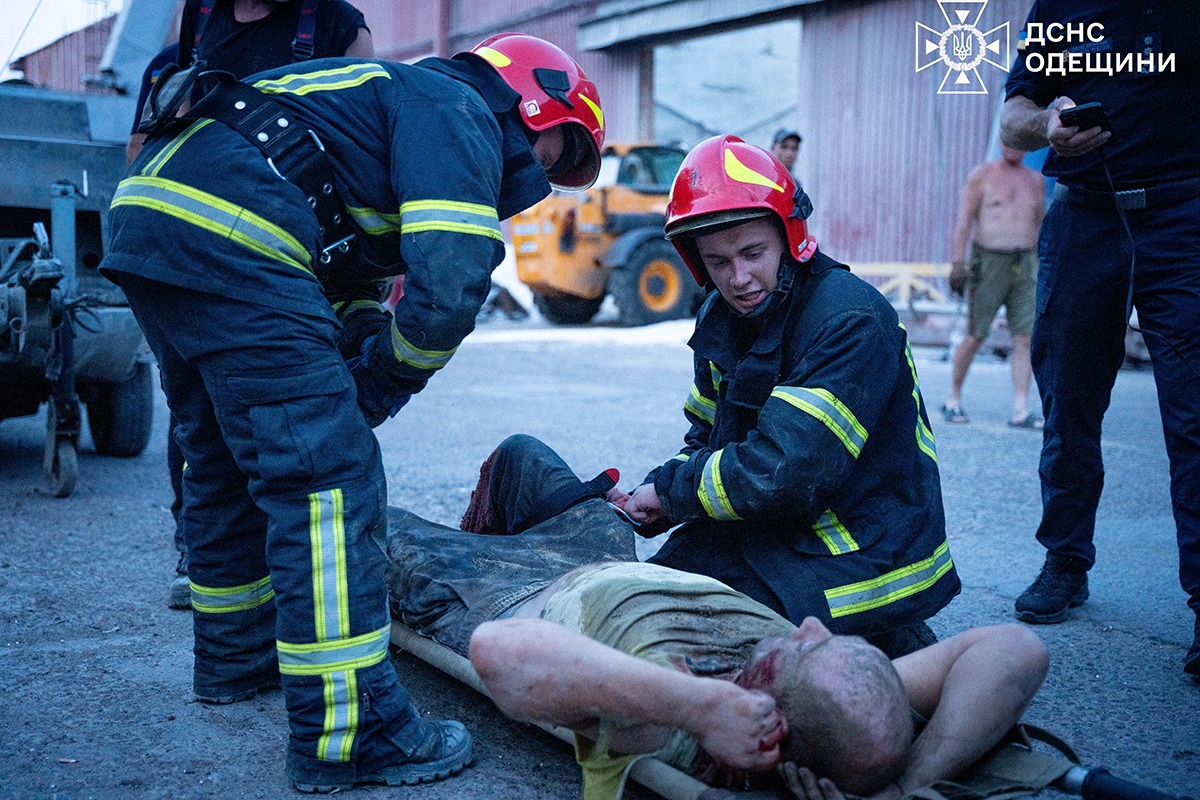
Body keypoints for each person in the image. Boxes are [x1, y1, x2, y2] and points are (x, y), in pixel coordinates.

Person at [102, 34, 605, 791]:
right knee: (328, 480)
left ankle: (236, 658)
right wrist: (385, 383)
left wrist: (365, 351)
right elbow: (451, 279)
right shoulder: (460, 108)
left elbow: (348, 281)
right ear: (529, 100)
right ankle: (356, 733)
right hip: (241, 234)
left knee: (220, 456)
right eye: (552, 152)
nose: (540, 176)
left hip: (153, 219)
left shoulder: (381, 101)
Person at [386, 434, 1050, 800]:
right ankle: (489, 526)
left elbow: (503, 653)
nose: (811, 629)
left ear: (769, 720)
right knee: (522, 455)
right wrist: (908, 783)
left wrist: (701, 706)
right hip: (604, 552)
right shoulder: (846, 694)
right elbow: (1015, 650)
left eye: (798, 651)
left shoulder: (671, 726)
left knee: (349, 519)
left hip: (496, 591)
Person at [616, 135, 960, 658]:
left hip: (865, 545)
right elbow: (705, 440)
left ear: (789, 237)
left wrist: (674, 492)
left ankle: (890, 639)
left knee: (695, 643)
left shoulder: (848, 319)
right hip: (777, 522)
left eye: (753, 253)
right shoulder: (722, 316)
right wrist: (662, 496)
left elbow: (786, 472)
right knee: (638, 605)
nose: (740, 278)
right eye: (718, 261)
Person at [124, 0, 374, 610]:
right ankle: (207, 557)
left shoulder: (338, 26)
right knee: (201, 419)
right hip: (203, 255)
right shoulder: (182, 46)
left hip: (301, 259)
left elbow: (368, 140)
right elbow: (140, 156)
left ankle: (292, 561)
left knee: (301, 418)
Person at [999, 2, 1200, 677]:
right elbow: (1013, 115)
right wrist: (1047, 126)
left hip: (1185, 216)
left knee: (1194, 413)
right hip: (1084, 219)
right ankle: (1065, 559)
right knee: (1069, 405)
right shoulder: (1062, 5)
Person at [942, 144, 1045, 429]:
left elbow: (1041, 225)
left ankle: (1021, 408)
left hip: (1025, 263)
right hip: (988, 262)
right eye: (1008, 140)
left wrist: (1044, 265)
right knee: (976, 334)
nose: (1013, 147)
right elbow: (964, 222)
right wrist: (958, 263)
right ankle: (953, 398)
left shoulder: (1035, 181)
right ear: (1001, 142)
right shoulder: (982, 175)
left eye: (1019, 142)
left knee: (1024, 337)